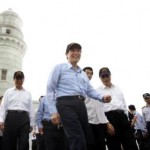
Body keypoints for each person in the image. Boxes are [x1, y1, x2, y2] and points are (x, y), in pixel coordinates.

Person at [46, 43, 111, 150]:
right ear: (66, 54)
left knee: (84, 137)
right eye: (72, 51)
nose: (76, 53)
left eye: (78, 51)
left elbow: (90, 90)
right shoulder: (59, 68)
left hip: (81, 105)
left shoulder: (83, 74)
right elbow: (50, 89)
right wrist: (53, 111)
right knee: (76, 137)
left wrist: (102, 98)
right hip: (65, 103)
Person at [97, 67, 138, 150]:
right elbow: (98, 109)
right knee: (114, 145)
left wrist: (127, 118)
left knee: (131, 144)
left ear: (110, 75)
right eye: (103, 76)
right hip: (109, 119)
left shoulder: (117, 87)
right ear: (100, 77)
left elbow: (123, 103)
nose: (105, 78)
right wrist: (107, 123)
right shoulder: (97, 91)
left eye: (107, 75)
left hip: (123, 118)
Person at [0, 71, 34, 150]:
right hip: (11, 118)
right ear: (13, 79)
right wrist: (1, 121)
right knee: (9, 143)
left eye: (20, 78)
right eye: (17, 78)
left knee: (24, 142)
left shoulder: (28, 93)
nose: (19, 80)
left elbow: (31, 109)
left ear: (23, 80)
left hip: (24, 119)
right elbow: (3, 107)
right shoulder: (8, 92)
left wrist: (32, 124)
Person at [83, 67, 109, 150]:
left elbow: (99, 107)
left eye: (91, 73)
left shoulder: (94, 91)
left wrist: (106, 122)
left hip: (98, 122)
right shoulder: (78, 89)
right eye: (87, 73)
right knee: (90, 145)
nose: (89, 75)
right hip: (87, 122)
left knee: (101, 145)